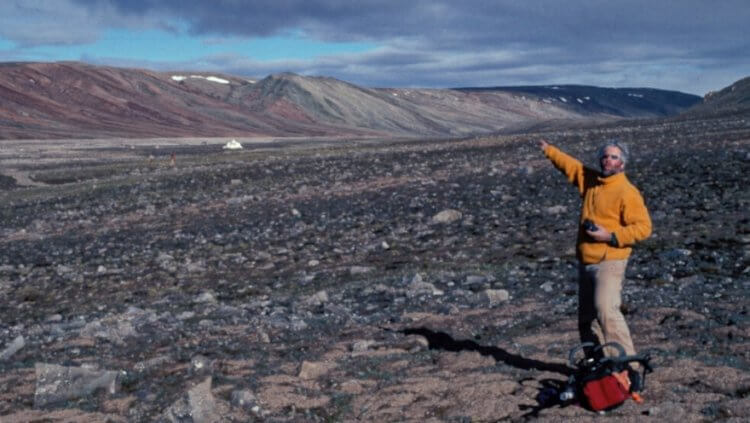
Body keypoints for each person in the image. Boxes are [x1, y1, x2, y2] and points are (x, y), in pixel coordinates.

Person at [538, 138, 652, 390]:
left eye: (613, 157)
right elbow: (571, 166)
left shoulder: (627, 192)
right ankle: (598, 367)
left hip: (610, 259)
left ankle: (630, 370)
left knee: (606, 310)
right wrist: (549, 150)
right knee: (586, 319)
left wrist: (610, 236)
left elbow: (643, 228)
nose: (607, 160)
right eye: (605, 156)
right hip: (586, 259)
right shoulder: (591, 181)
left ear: (622, 163)